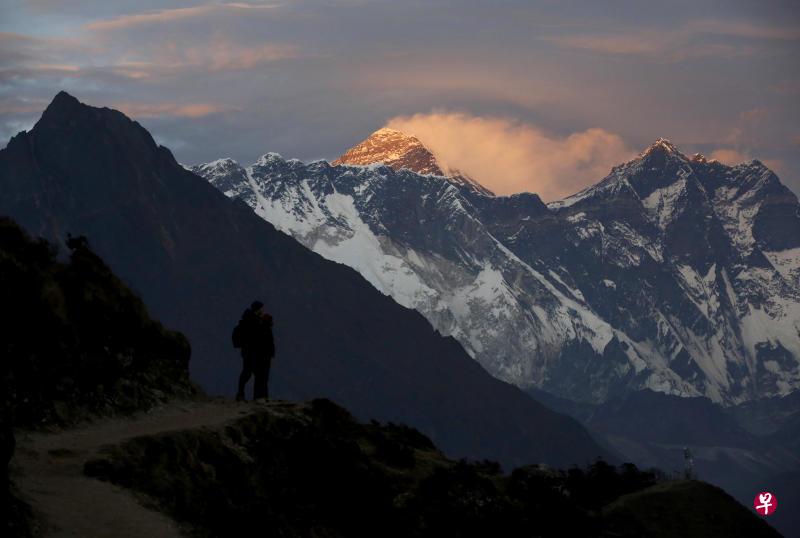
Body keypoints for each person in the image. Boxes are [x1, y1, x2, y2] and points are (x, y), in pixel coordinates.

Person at [233, 300, 275, 401]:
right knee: (253, 374)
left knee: (251, 374)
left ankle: (248, 395)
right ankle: (257, 396)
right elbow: (257, 338)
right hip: (252, 353)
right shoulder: (253, 321)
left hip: (251, 352)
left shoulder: (251, 319)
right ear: (258, 309)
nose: (263, 310)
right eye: (261, 308)